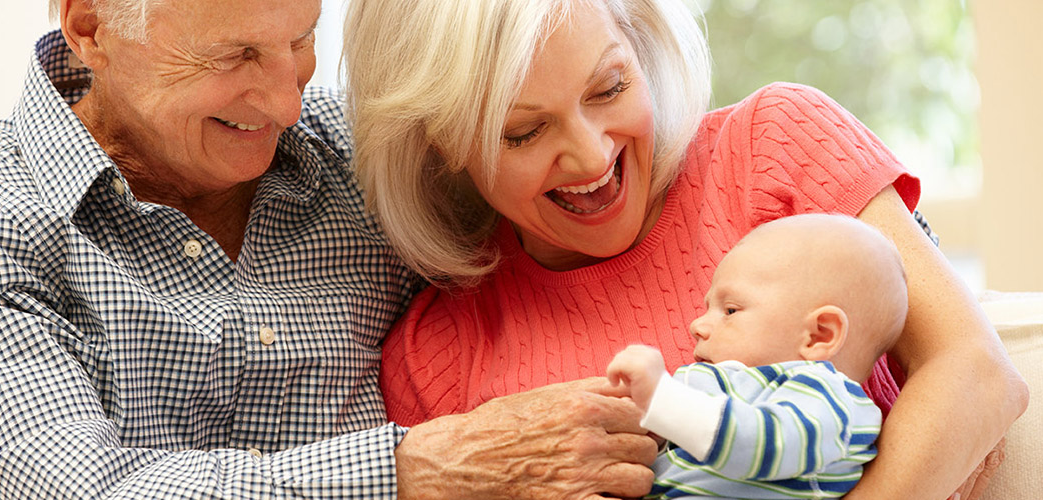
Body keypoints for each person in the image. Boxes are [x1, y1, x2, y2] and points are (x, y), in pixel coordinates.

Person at [0, 0, 661, 498]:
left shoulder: (357, 155)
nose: (288, 100)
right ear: (91, 29)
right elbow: (83, 492)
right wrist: (416, 469)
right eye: (236, 58)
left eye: (302, 39)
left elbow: (578, 189)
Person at [343, 0, 1029, 498]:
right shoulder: (435, 358)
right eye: (523, 132)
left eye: (609, 87)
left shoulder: (773, 148)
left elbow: (978, 377)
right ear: (441, 142)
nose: (591, 155)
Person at [606, 213, 908, 499]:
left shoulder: (832, 402)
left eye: (730, 310)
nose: (696, 325)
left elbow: (761, 444)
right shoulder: (724, 386)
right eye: (707, 307)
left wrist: (663, 399)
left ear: (819, 335)